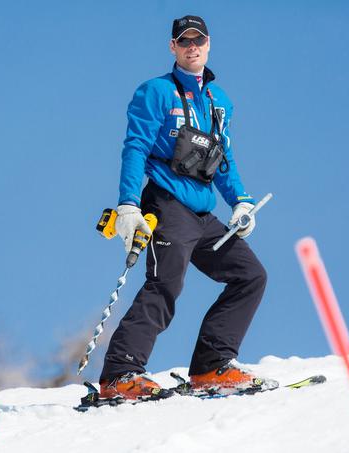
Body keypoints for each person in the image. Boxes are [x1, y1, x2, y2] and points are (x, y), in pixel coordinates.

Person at [100, 15, 274, 399]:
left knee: (250, 275)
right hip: (167, 204)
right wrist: (128, 204)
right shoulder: (156, 92)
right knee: (166, 284)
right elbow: (136, 147)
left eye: (198, 40)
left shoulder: (218, 101)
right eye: (183, 41)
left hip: (201, 212)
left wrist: (241, 201)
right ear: (173, 47)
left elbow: (222, 158)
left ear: (209, 44)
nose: (191, 46)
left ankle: (211, 366)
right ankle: (120, 374)